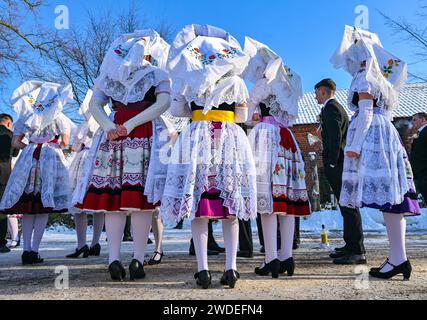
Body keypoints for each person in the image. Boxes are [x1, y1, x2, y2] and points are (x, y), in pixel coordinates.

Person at [161, 24, 257, 289]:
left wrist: (200, 109)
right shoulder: (236, 81)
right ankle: (231, 268)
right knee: (230, 207)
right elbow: (243, 116)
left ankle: (203, 270)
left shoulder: (187, 78)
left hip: (198, 139)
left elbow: (178, 111)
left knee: (199, 208)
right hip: (228, 139)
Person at [73, 30, 173, 281]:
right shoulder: (158, 74)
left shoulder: (109, 75)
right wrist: (127, 125)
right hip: (144, 135)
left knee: (113, 201)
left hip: (114, 137)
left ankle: (114, 259)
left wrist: (109, 126)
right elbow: (163, 104)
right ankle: (137, 259)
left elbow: (95, 104)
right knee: (140, 202)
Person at [331, 26, 421, 279]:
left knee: (390, 202)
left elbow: (367, 112)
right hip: (386, 135)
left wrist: (354, 146)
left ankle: (398, 259)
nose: (348, 61)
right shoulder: (380, 79)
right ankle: (398, 258)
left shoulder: (364, 77)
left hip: (373, 138)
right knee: (393, 200)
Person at [244, 37, 311, 278]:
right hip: (287, 139)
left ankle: (271, 257)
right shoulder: (288, 85)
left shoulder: (263, 84)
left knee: (268, 202)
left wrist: (252, 116)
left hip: (266, 138)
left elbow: (246, 112)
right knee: (287, 201)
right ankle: (286, 257)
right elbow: (290, 118)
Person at [0, 81, 74, 264]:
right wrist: (51, 147)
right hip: (49, 160)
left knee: (27, 208)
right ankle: (34, 250)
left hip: (28, 160)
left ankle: (26, 250)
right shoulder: (59, 116)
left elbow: (16, 142)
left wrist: (30, 147)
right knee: (42, 208)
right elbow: (65, 142)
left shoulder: (26, 114)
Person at [314, 78, 367, 265]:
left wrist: (332, 162)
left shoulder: (331, 108)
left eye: (316, 92)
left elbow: (336, 136)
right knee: (345, 206)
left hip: (338, 164)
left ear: (323, 91)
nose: (315, 97)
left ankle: (357, 249)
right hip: (340, 163)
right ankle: (350, 245)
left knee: (348, 206)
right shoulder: (335, 108)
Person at [67, 90, 106, 258]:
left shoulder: (83, 126)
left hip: (84, 162)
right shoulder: (105, 122)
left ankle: (81, 244)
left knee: (79, 205)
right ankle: (95, 243)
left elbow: (76, 147)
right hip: (101, 161)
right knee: (98, 206)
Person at [0, 113, 19, 253]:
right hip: (3, 175)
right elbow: (15, 153)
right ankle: (1, 243)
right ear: (8, 123)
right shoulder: (11, 135)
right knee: (1, 210)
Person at [409, 112, 427, 203]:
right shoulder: (420, 133)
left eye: (415, 120)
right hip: (421, 174)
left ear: (423, 119)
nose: (412, 122)